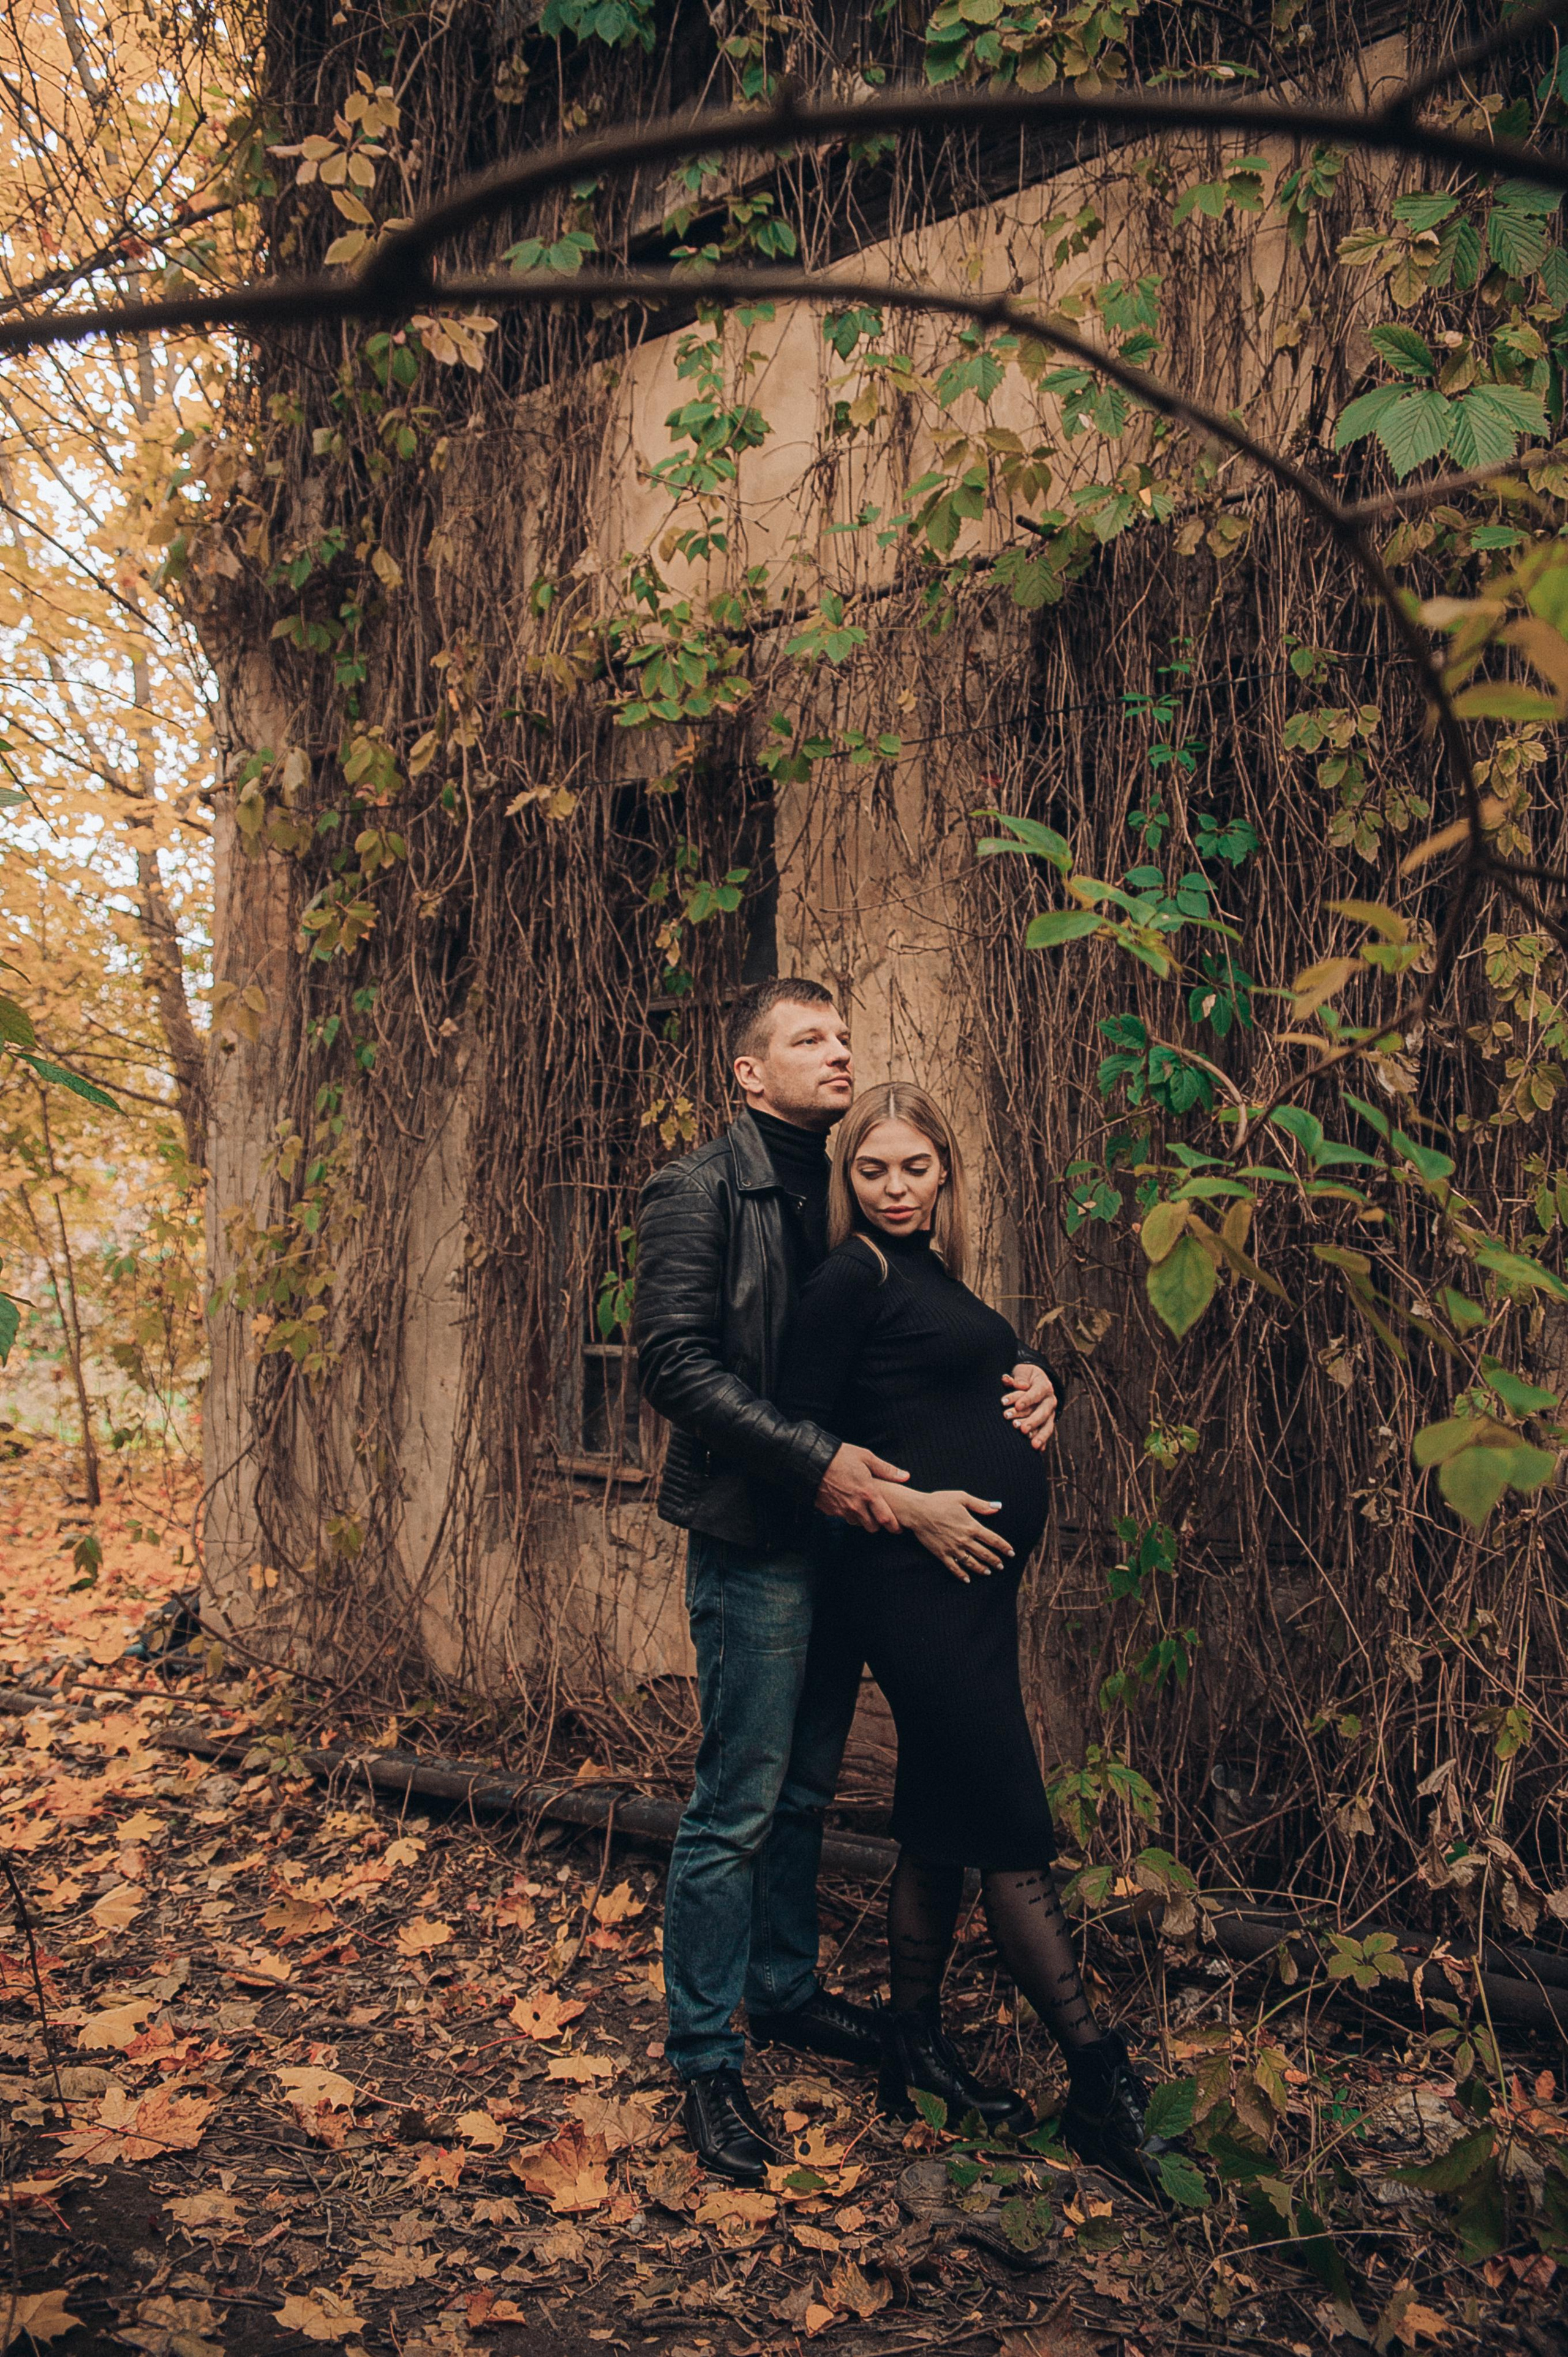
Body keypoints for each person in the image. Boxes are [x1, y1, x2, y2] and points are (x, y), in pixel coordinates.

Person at [635, 985, 1060, 2184]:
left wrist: (1036, 1370)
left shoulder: (841, 1190)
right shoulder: (701, 1188)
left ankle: (780, 1990)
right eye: (808, 1039)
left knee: (809, 1791)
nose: (838, 1051)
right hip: (754, 1542)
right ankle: (706, 2055)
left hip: (843, 1555)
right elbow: (670, 1359)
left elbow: (914, 1321)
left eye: (842, 1036)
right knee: (740, 1799)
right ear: (748, 1075)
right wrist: (818, 1462)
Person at [774, 1082, 1166, 2193]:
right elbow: (800, 1444)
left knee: (940, 1825)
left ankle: (912, 2052)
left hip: (967, 1597)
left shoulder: (931, 1276)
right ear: (848, 1180)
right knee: (1010, 1828)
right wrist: (921, 1508)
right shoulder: (852, 1276)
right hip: (905, 1586)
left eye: (915, 1168)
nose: (895, 1188)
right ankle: (1099, 2079)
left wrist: (1041, 1374)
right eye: (872, 1171)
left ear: (946, 1170)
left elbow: (949, 1390)